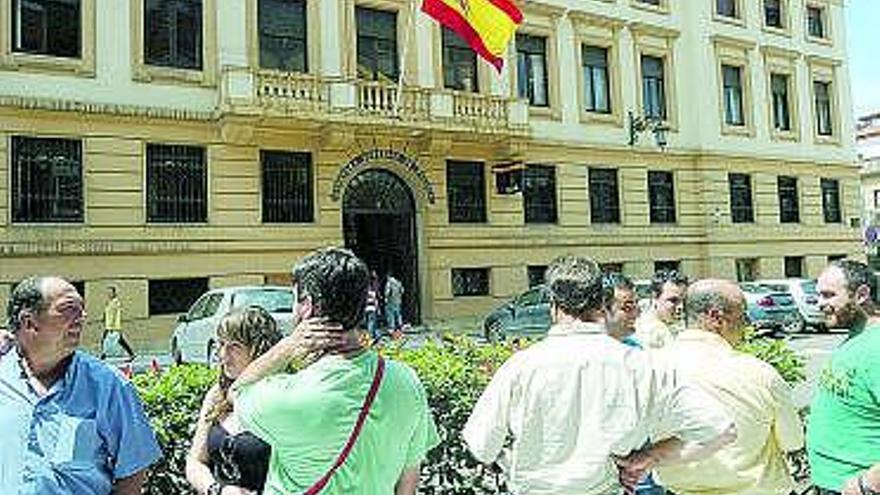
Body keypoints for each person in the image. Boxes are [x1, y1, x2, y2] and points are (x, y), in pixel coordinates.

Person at [463, 256, 736, 495]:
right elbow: (722, 430)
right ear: (602, 304)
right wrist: (649, 458)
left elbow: (481, 446)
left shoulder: (520, 367)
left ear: (553, 305)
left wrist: (515, 462)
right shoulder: (642, 366)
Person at [229, 247, 440, 494]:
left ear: (307, 306)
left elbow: (237, 391)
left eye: (295, 299)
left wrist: (288, 345)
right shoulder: (406, 381)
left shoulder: (289, 395)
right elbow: (408, 482)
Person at [0, 276, 161, 495]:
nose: (81, 318)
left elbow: (133, 471)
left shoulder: (109, 385)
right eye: (68, 309)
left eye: (81, 310)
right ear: (29, 323)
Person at [653, 279, 804, 495]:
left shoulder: (650, 368)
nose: (748, 323)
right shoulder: (760, 373)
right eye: (743, 314)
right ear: (716, 317)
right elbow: (792, 441)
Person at [186, 306, 284, 495]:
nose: (223, 355)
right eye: (221, 345)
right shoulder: (217, 395)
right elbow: (195, 462)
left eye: (234, 346)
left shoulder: (280, 396)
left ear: (259, 350)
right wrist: (217, 490)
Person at [808, 260, 880, 495]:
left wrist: (868, 484)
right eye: (818, 295)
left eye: (829, 295)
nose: (820, 304)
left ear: (861, 294)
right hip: (832, 482)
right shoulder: (858, 337)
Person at [634, 269, 688, 349]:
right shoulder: (648, 332)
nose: (681, 306)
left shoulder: (673, 325)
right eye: (673, 300)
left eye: (684, 300)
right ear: (655, 296)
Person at [603, 272, 642, 347]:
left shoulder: (634, 348)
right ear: (603, 310)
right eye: (628, 308)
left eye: (636, 305)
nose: (636, 314)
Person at [100, 285, 136, 361]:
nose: (109, 294)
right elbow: (108, 313)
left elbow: (115, 316)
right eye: (108, 292)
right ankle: (131, 354)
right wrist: (104, 318)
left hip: (113, 326)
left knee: (105, 340)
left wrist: (111, 327)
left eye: (110, 292)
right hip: (109, 325)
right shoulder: (110, 302)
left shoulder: (115, 303)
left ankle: (103, 355)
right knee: (120, 341)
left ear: (114, 293)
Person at [365, 270, 381, 343]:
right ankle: (370, 336)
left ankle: (376, 336)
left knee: (371, 323)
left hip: (366, 309)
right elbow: (375, 302)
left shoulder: (365, 292)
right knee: (371, 323)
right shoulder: (373, 292)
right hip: (372, 308)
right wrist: (378, 309)